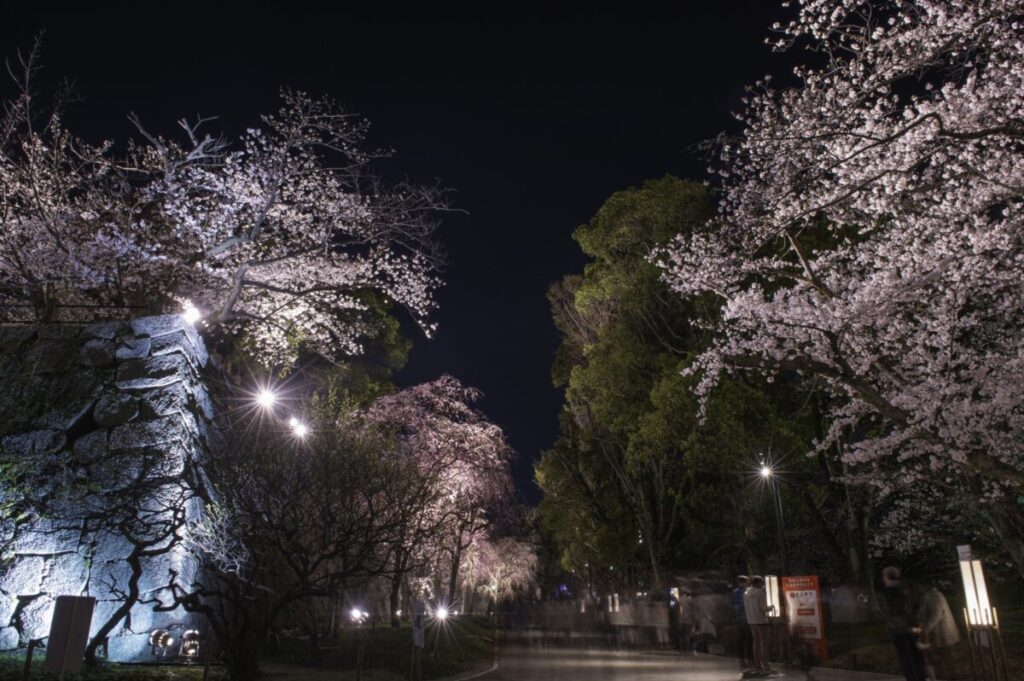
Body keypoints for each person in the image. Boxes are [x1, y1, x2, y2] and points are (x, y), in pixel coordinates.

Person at [881, 566, 926, 681]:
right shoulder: (908, 588)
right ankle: (921, 677)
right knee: (916, 653)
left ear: (887, 577)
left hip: (897, 629)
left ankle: (911, 678)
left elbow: (886, 611)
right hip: (912, 626)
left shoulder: (887, 592)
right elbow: (917, 605)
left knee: (904, 656)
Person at [916, 583, 960, 681]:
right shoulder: (931, 595)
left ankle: (948, 677)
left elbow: (936, 615)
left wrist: (925, 629)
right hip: (937, 634)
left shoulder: (935, 596)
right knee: (939, 659)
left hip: (942, 634)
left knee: (944, 659)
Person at [744, 576, 772, 676]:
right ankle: (766, 665)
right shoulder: (759, 593)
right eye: (762, 583)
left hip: (751, 620)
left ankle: (757, 665)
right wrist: (772, 607)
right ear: (759, 583)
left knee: (755, 643)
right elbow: (764, 609)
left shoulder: (746, 593)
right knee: (764, 643)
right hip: (761, 620)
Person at [732, 575, 754, 670]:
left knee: (740, 640)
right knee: (749, 640)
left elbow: (733, 606)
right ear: (746, 582)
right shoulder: (748, 591)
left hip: (738, 619)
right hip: (748, 618)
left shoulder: (734, 592)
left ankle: (741, 661)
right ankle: (751, 660)